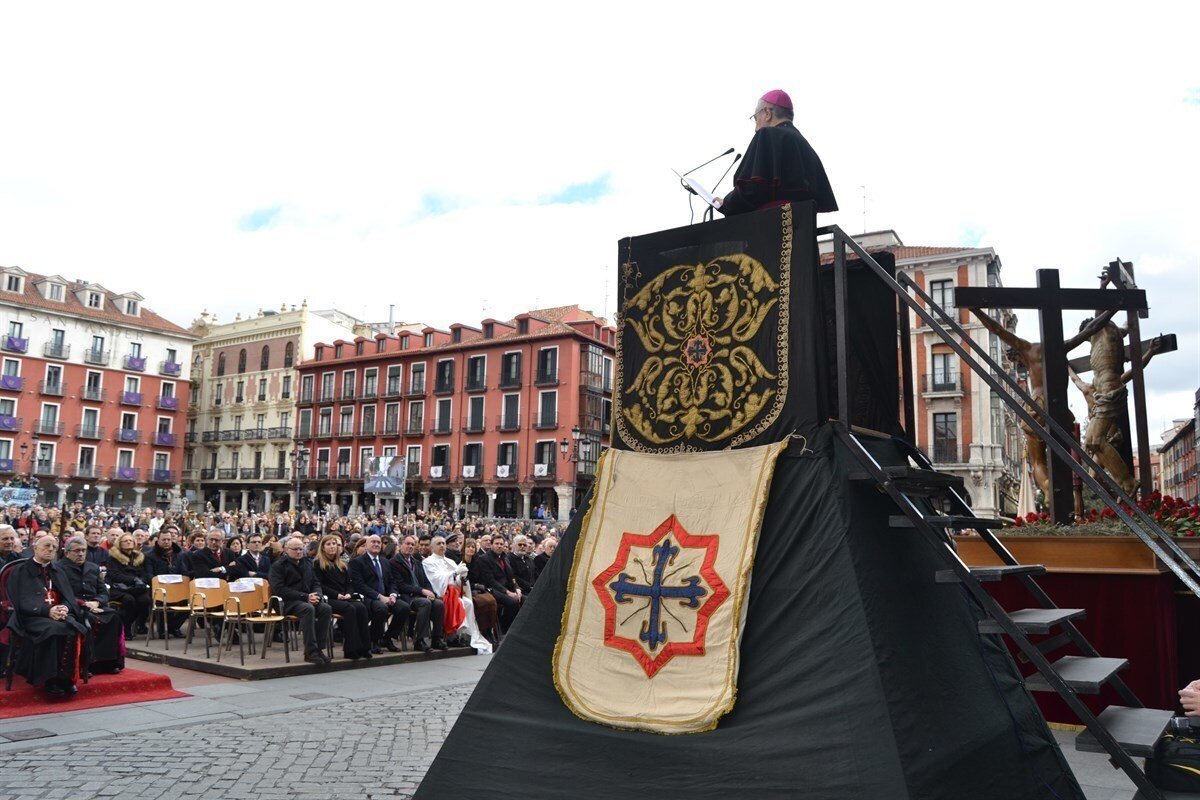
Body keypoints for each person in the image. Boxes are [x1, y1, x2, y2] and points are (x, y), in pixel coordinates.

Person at [714, 89, 837, 217]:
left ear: (767, 113)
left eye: (755, 117)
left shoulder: (767, 134)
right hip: (801, 226)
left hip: (770, 223)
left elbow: (752, 190)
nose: (755, 127)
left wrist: (726, 203)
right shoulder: (805, 145)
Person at [5, 535, 88, 695]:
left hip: (58, 614)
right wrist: (47, 611)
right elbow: (20, 601)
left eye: (54, 547)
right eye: (47, 546)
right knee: (53, 629)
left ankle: (66, 678)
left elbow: (68, 596)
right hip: (31, 617)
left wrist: (64, 607)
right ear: (35, 547)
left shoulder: (58, 571)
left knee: (73, 627)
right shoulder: (20, 571)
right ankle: (50, 680)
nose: (51, 549)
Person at [55, 535, 124, 674]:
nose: (81, 554)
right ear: (67, 553)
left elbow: (104, 591)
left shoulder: (93, 567)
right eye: (77, 551)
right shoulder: (59, 568)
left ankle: (107, 662)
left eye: (83, 550)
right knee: (89, 620)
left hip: (95, 604)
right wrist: (84, 604)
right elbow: (62, 593)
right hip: (73, 607)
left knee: (114, 617)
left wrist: (97, 602)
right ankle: (86, 664)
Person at [267, 536, 331, 665]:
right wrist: (305, 597)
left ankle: (318, 649)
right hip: (287, 602)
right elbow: (280, 589)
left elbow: (315, 582)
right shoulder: (278, 566)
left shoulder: (307, 563)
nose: (298, 552)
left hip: (307, 599)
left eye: (301, 549)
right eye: (295, 549)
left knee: (326, 608)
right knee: (308, 609)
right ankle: (310, 652)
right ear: (286, 549)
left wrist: (317, 595)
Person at [422, 535, 491, 653]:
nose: (442, 545)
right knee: (459, 602)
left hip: (454, 593)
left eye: (443, 543)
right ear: (432, 548)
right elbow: (436, 579)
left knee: (468, 603)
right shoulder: (428, 562)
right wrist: (454, 573)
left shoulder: (450, 561)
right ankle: (451, 636)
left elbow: (458, 581)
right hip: (439, 593)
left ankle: (463, 635)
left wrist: (461, 576)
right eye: (439, 543)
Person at [312, 534, 372, 661]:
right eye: (328, 544)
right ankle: (351, 649)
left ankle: (365, 647)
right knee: (349, 609)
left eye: (334, 544)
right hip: (329, 598)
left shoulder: (342, 564)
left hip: (344, 597)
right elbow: (319, 585)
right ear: (323, 548)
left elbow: (349, 584)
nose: (332, 546)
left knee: (361, 607)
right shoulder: (318, 564)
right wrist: (337, 595)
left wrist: (349, 593)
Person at [349, 535, 406, 653]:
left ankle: (387, 638)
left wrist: (393, 595)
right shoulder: (357, 562)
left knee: (404, 607)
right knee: (381, 608)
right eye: (373, 542)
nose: (376, 544)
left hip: (386, 596)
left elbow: (392, 581)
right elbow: (359, 585)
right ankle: (373, 641)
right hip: (368, 597)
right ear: (366, 546)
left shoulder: (385, 562)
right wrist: (379, 597)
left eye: (378, 542)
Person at [390, 534, 446, 653]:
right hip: (405, 596)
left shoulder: (416, 562)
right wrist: (421, 591)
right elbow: (400, 585)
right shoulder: (394, 562)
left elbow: (426, 581)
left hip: (419, 594)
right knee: (425, 603)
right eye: (407, 544)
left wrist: (430, 592)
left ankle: (436, 638)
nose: (410, 546)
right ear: (400, 545)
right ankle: (419, 640)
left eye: (412, 544)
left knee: (439, 604)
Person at [106, 532, 152, 637]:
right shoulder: (113, 557)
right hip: (119, 588)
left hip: (136, 588)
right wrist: (134, 579)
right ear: (120, 543)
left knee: (145, 600)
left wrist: (141, 581)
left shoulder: (139, 557)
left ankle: (131, 624)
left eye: (130, 540)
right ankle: (126, 627)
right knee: (129, 600)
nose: (128, 542)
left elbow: (144, 573)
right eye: (125, 541)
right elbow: (115, 575)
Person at [476, 535, 522, 632]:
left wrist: (517, 588)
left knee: (525, 600)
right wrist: (507, 592)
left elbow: (512, 577)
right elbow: (490, 580)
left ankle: (519, 628)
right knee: (512, 602)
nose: (499, 546)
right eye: (497, 544)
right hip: (493, 589)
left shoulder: (505, 557)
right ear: (491, 545)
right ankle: (507, 629)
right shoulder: (484, 559)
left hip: (507, 588)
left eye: (501, 544)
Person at [462, 538, 499, 644]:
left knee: (492, 601)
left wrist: (480, 586)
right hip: (466, 590)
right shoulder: (460, 561)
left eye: (473, 547)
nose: (471, 549)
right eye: (468, 547)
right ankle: (482, 630)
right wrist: (474, 586)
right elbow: (462, 580)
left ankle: (489, 630)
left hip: (478, 588)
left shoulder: (477, 561)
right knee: (481, 603)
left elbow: (482, 577)